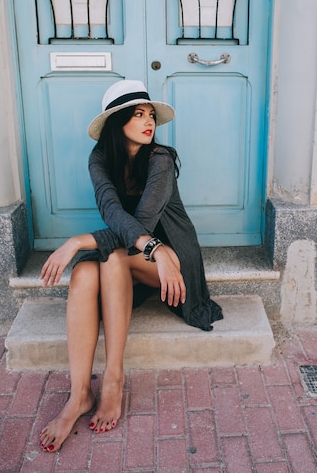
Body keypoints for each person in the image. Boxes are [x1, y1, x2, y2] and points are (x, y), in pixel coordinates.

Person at [39, 79, 223, 453]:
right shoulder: (99, 159)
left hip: (173, 261)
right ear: (117, 122)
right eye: (138, 114)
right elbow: (113, 214)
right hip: (139, 252)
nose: (148, 122)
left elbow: (144, 219)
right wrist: (135, 246)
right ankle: (78, 397)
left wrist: (77, 242)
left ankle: (113, 378)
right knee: (84, 273)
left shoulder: (161, 159)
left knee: (109, 256)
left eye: (150, 115)